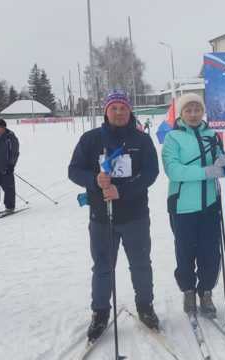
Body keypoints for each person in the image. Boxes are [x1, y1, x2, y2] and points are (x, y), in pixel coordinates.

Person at [68, 90, 160, 341]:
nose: (119, 112)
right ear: (106, 111)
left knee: (140, 264)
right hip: (101, 217)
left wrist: (123, 190)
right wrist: (94, 179)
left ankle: (145, 306)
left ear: (130, 111)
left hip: (135, 216)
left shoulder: (142, 140)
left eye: (123, 108)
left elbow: (151, 173)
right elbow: (74, 170)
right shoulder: (91, 139)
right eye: (114, 108)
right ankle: (100, 313)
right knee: (103, 267)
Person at [162, 93, 225, 318]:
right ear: (181, 113)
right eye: (188, 110)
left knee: (210, 252)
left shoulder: (212, 135)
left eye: (197, 109)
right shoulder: (173, 138)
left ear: (202, 112)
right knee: (185, 252)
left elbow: (220, 158)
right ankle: (188, 290)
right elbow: (174, 170)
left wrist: (222, 162)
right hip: (182, 206)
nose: (193, 114)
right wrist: (206, 172)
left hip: (210, 204)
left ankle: (206, 291)